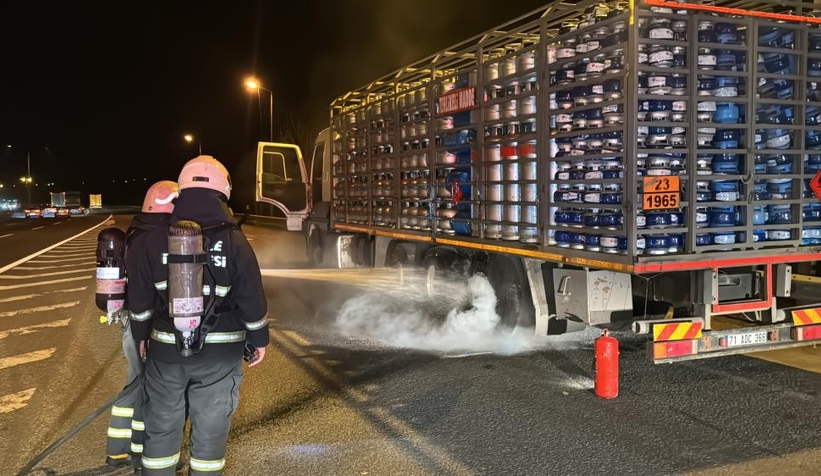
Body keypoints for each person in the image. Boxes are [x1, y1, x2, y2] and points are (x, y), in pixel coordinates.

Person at [132, 155, 269, 475]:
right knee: (209, 434)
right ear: (223, 192)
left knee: (162, 429)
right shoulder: (234, 239)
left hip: (166, 350)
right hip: (220, 356)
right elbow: (251, 294)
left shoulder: (154, 238)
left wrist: (141, 337)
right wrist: (259, 338)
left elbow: (139, 299)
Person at [106, 180, 179, 474]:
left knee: (136, 384)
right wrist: (144, 335)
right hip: (144, 326)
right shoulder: (158, 236)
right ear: (168, 202)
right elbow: (151, 293)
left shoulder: (137, 228)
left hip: (133, 323)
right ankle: (141, 454)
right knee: (149, 389)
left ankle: (120, 451)